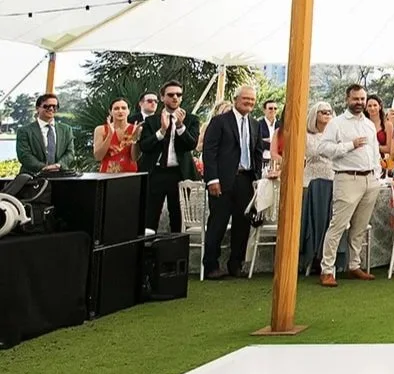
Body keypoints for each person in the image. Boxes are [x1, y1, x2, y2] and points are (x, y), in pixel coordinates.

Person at [317, 84, 382, 286]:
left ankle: (354, 265)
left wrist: (377, 174)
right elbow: (323, 148)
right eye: (356, 99)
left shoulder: (369, 124)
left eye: (362, 99)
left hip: (370, 179)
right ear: (347, 99)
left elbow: (375, 151)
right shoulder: (337, 123)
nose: (360, 103)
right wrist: (349, 146)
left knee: (360, 227)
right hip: (346, 178)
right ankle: (327, 270)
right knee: (337, 226)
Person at [201, 85, 265, 279]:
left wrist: (257, 177)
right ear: (236, 99)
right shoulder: (220, 121)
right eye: (246, 99)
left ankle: (236, 264)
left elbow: (258, 152)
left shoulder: (255, 124)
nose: (249, 103)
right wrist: (212, 179)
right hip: (222, 180)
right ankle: (211, 265)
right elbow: (209, 152)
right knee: (218, 223)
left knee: (242, 224)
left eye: (252, 100)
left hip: (246, 180)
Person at [299, 101, 357, 275]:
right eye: (322, 112)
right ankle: (312, 257)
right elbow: (315, 153)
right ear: (314, 115)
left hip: (333, 180)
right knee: (313, 220)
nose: (327, 115)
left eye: (329, 112)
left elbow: (343, 152)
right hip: (312, 182)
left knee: (332, 222)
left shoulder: (337, 135)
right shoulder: (306, 135)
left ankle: (331, 260)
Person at [137, 82, 194, 236]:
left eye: (178, 94)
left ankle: (175, 255)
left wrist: (181, 126)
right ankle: (147, 254)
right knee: (149, 218)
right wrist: (161, 131)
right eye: (170, 94)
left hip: (179, 174)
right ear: (162, 97)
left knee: (178, 218)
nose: (175, 97)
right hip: (155, 172)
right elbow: (144, 146)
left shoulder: (191, 119)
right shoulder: (151, 121)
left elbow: (191, 144)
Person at [16, 93, 74, 176]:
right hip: (32, 177)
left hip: (60, 177)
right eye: (47, 106)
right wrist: (44, 167)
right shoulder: (24, 131)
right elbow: (24, 155)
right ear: (37, 108)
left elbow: (70, 153)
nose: (51, 109)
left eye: (54, 106)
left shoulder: (66, 130)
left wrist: (59, 165)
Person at [93, 98, 139, 174]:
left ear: (128, 111)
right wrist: (110, 135)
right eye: (116, 108)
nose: (120, 111)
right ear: (110, 112)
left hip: (129, 174)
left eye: (123, 108)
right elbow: (98, 157)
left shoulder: (136, 129)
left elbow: (134, 158)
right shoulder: (101, 129)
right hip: (107, 174)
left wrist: (135, 138)